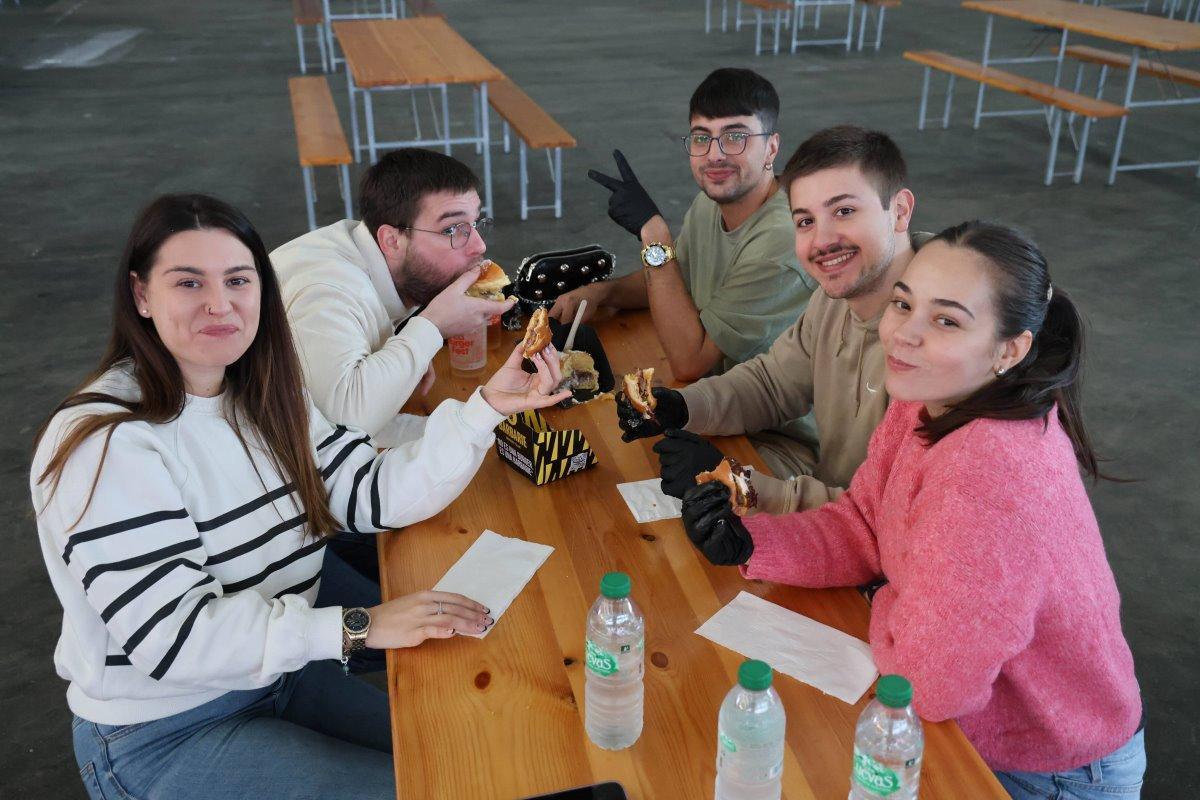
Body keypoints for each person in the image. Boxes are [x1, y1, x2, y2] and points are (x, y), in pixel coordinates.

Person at [30, 194, 569, 799]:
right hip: (165, 728)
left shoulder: (265, 391)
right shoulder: (109, 440)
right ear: (141, 295)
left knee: (475, 761)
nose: (220, 304)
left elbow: (368, 493)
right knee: (435, 787)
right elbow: (174, 638)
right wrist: (359, 626)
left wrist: (486, 409)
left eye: (239, 280)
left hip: (277, 676)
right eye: (189, 282)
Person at [681, 221, 1144, 798]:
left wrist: (888, 595)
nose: (904, 334)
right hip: (973, 727)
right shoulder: (930, 399)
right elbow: (863, 524)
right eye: (903, 304)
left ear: (1010, 349)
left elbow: (928, 685)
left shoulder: (989, 473)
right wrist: (755, 541)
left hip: (1047, 766)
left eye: (947, 320)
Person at [619, 126, 924, 514]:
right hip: (825, 512)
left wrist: (737, 483)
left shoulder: (935, 342)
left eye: (844, 211)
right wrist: (682, 406)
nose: (822, 241)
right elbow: (772, 385)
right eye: (805, 221)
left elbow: (890, 517)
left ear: (899, 211)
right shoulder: (835, 300)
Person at [550, 67, 816, 382]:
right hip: (716, 391)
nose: (715, 155)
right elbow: (677, 279)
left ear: (771, 147)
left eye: (735, 137)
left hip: (767, 412)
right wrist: (603, 292)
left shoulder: (783, 240)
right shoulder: (710, 204)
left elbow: (690, 362)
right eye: (702, 138)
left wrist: (654, 234)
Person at [271, 148, 514, 449]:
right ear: (392, 240)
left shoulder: (377, 258)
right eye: (452, 229)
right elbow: (345, 425)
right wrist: (429, 328)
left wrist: (401, 348)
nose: (478, 246)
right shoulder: (326, 289)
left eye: (475, 224)